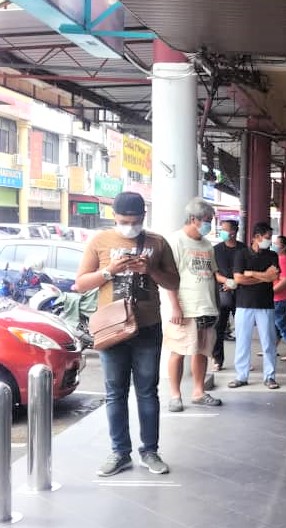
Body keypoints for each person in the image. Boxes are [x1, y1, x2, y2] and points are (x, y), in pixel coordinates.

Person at [74, 191, 180, 477]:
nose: (129, 226)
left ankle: (150, 451)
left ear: (143, 217)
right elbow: (80, 284)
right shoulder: (99, 241)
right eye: (124, 221)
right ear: (114, 217)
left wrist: (151, 270)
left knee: (147, 391)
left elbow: (174, 282)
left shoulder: (157, 243)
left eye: (134, 222)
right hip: (111, 328)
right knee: (115, 392)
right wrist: (109, 271)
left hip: (147, 327)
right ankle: (120, 452)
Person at [163, 199, 223, 413]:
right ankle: (175, 395)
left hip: (207, 306)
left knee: (202, 351)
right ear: (192, 219)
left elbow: (212, 275)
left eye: (211, 220)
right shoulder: (175, 241)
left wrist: (216, 305)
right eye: (206, 220)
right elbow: (169, 278)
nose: (209, 224)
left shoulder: (207, 245)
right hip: (185, 309)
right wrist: (175, 307)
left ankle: (198, 392)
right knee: (178, 351)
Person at [228, 222, 281, 390]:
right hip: (243, 304)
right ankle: (241, 376)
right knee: (242, 341)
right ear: (256, 237)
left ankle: (270, 376)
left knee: (268, 342)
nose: (269, 241)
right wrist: (263, 276)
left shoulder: (272, 255)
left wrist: (251, 274)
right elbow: (238, 279)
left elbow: (274, 277)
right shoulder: (241, 254)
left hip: (265, 304)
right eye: (267, 237)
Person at [212, 219, 246, 371]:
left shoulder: (243, 249)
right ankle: (217, 359)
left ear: (234, 231)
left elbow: (248, 271)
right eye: (222, 229)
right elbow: (214, 272)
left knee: (242, 328)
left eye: (225, 229)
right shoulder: (216, 249)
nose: (223, 232)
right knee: (218, 328)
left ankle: (243, 360)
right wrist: (227, 281)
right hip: (222, 292)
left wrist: (236, 282)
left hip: (242, 292)